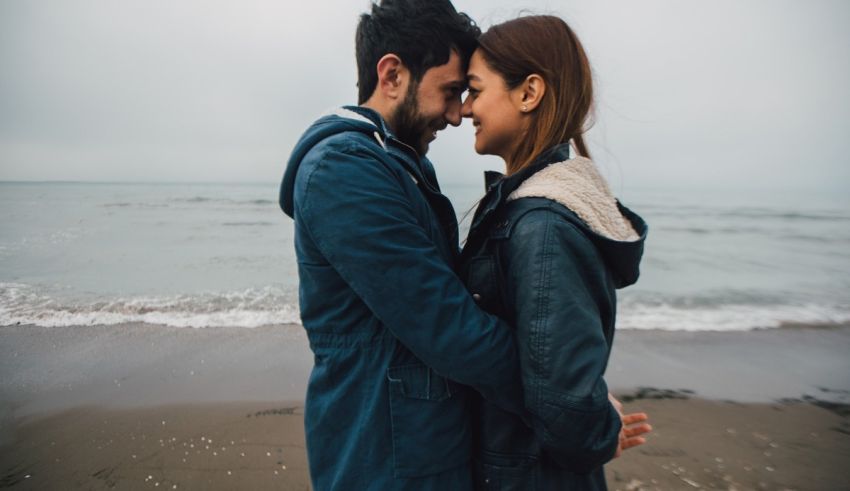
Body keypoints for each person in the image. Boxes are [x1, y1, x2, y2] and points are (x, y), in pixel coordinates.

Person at [278, 1, 527, 489]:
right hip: (384, 454)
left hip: (417, 444)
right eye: (450, 91)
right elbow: (445, 322)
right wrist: (563, 397)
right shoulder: (344, 170)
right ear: (392, 75)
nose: (457, 115)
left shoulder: (399, 163)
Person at [458, 15, 652, 489]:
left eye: (475, 90)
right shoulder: (535, 213)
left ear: (529, 92)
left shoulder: (543, 227)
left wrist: (598, 432)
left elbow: (567, 404)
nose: (464, 110)